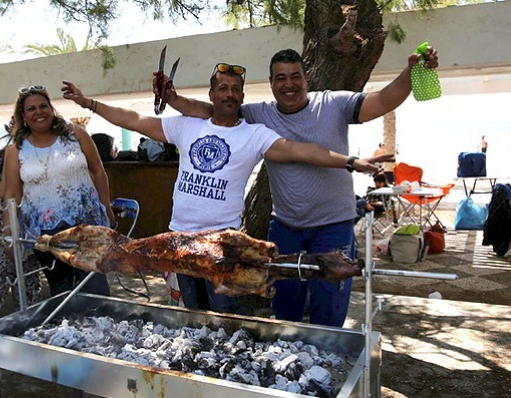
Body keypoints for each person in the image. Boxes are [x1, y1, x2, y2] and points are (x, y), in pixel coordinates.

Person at [62, 63, 389, 314]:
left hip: (222, 246)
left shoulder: (255, 134)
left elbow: (301, 150)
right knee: (190, 317)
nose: (229, 94)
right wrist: (89, 102)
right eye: (223, 88)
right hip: (179, 240)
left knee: (225, 320)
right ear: (212, 95)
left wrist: (350, 162)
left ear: (242, 97)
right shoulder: (185, 125)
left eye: (235, 89)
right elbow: (133, 120)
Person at [158, 47, 438, 326]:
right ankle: (288, 364)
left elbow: (383, 100)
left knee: (329, 304)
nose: (288, 84)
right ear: (271, 83)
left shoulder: (333, 104)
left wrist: (409, 73)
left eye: (295, 77)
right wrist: (172, 98)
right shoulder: (259, 115)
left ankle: (327, 362)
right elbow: (212, 110)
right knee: (285, 306)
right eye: (280, 78)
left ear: (307, 78)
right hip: (285, 228)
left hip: (334, 226)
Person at [2, 85, 116, 297]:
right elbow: (11, 195)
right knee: (61, 292)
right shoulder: (16, 149)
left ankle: (102, 324)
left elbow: (98, 171)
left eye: (43, 106)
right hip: (46, 235)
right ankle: (68, 329)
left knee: (94, 288)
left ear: (51, 108)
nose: (39, 112)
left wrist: (106, 206)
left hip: (87, 225)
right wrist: (9, 231)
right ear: (23, 116)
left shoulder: (76, 134)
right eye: (31, 109)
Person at [0, 118, 42, 325]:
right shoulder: (34, 151)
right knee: (27, 276)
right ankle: (31, 322)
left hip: (9, 220)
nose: (10, 125)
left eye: (14, 122)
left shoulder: (16, 150)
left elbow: (5, 192)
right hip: (27, 221)